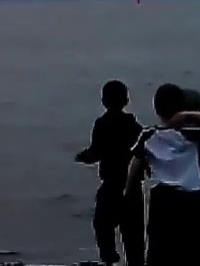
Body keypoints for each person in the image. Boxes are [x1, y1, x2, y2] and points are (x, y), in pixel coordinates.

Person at [125, 83, 200, 266]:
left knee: (161, 251)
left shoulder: (148, 135)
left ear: (156, 108)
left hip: (163, 200)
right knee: (199, 251)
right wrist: (186, 116)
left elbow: (135, 167)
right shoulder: (193, 133)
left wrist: (129, 195)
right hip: (194, 199)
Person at [75, 80, 144, 266]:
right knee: (133, 236)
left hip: (111, 186)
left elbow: (95, 153)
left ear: (104, 101)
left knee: (102, 226)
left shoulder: (102, 124)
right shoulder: (136, 128)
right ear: (127, 100)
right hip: (133, 188)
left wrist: (82, 156)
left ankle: (110, 259)